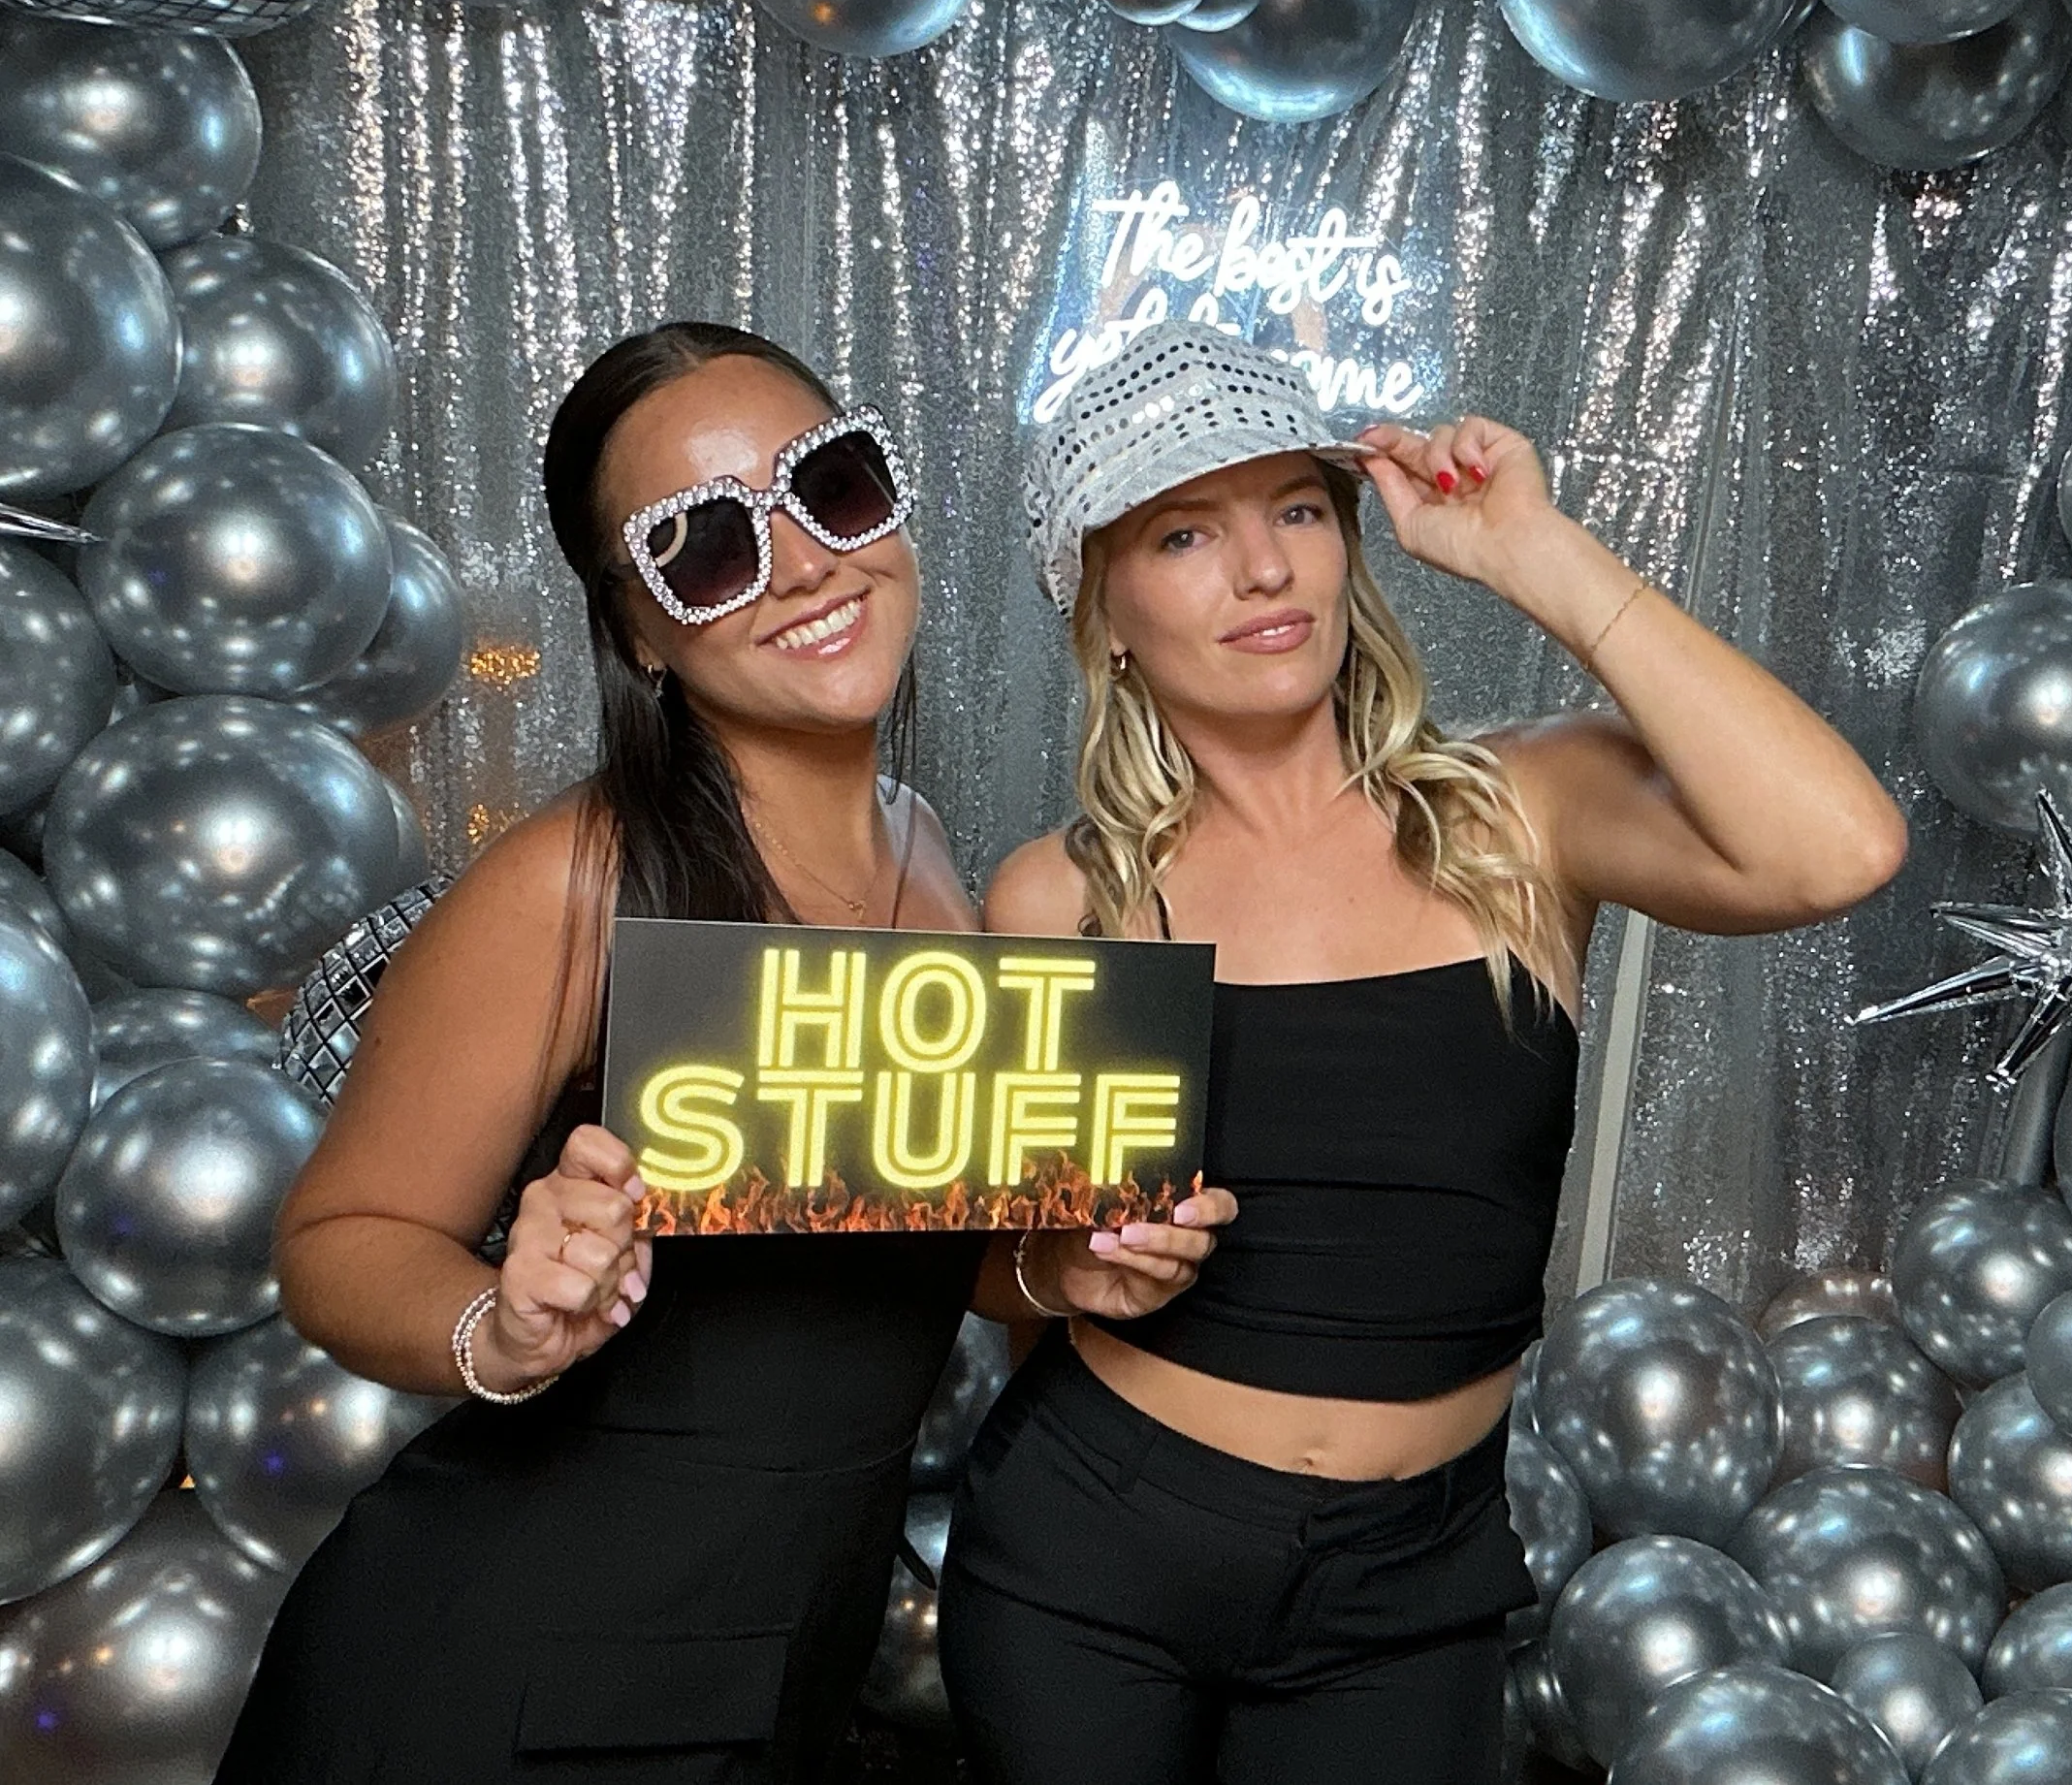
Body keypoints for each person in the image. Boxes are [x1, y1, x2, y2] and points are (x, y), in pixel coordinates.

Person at [215, 321, 1230, 1785]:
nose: (807, 561)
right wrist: (494, 1328)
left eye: (834, 484)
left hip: (779, 1659)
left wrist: (1063, 1268)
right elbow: (337, 1236)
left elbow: (899, 1241)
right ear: (638, 628)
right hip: (501, 1673)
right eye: (704, 546)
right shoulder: (576, 879)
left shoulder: (937, 864)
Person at [938, 320, 1908, 1784]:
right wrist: (1069, 1267)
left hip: (1415, 1577)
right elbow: (995, 1266)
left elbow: (1840, 849)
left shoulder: (1515, 812)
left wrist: (1536, 555)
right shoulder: (1062, 896)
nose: (1264, 568)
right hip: (1094, 1550)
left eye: (1299, 510)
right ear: (1107, 608)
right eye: (1188, 531)